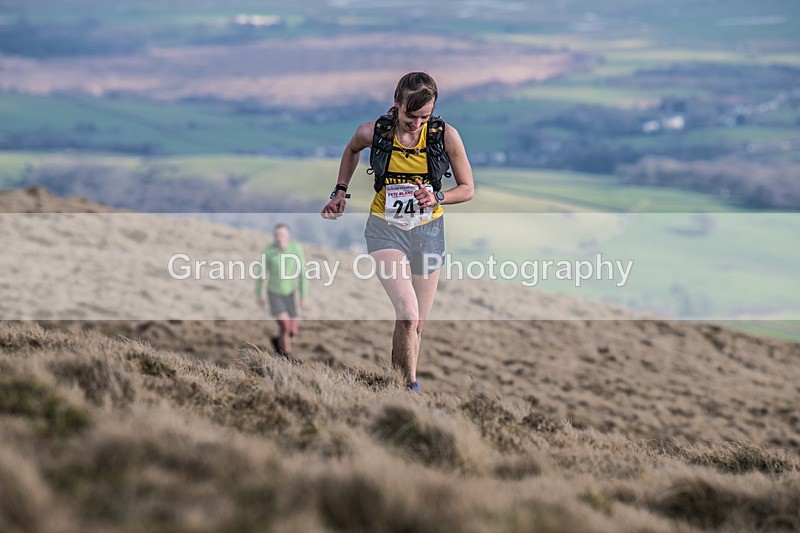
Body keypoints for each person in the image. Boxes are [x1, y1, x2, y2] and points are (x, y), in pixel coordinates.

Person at [321, 72, 474, 391]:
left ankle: (395, 386)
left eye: (424, 117)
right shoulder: (373, 132)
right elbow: (351, 150)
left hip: (428, 234)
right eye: (410, 116)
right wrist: (340, 191)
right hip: (385, 230)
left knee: (416, 323)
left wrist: (437, 196)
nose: (416, 124)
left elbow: (468, 188)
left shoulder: (445, 136)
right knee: (407, 313)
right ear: (396, 104)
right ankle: (410, 390)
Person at [255, 223, 308, 357]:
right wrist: (258, 294)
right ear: (274, 236)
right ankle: (287, 356)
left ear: (288, 236)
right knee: (284, 325)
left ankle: (278, 343)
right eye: (277, 235)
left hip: (290, 293)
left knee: (292, 331)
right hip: (274, 293)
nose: (280, 238)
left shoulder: (296, 250)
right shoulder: (268, 251)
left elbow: (302, 274)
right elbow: (261, 274)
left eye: (282, 235)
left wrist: (303, 297)